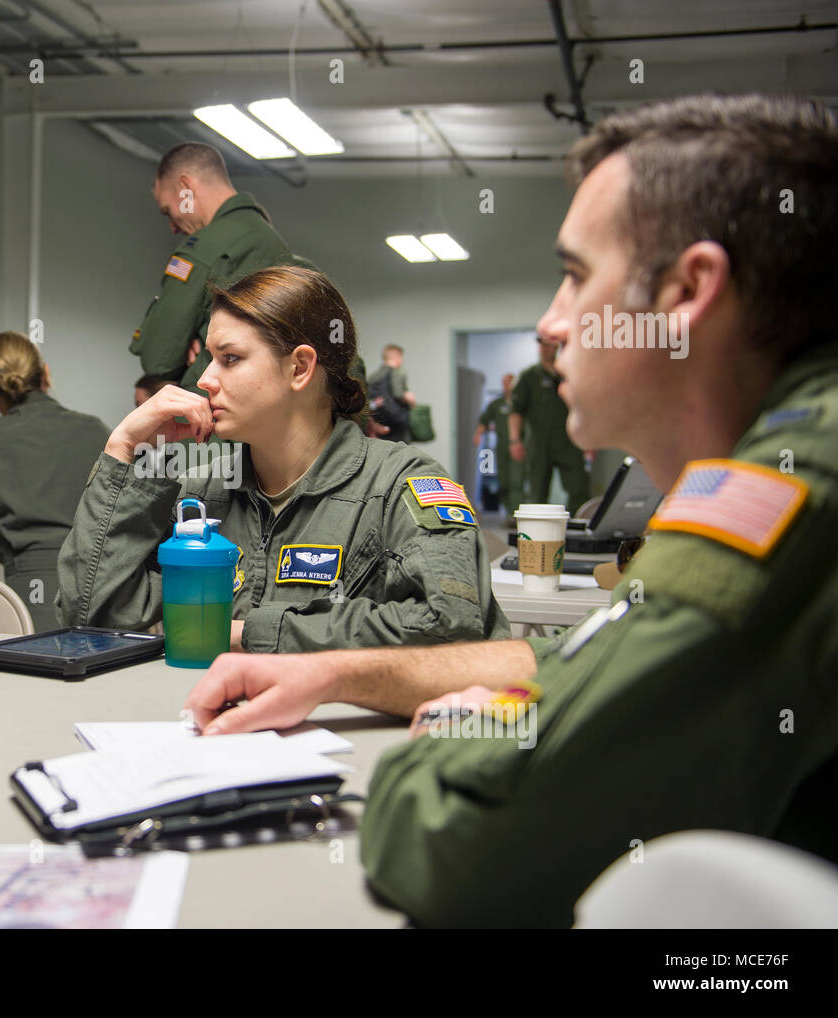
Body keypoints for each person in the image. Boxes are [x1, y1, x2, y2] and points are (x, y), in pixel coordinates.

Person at [183, 93, 838, 927]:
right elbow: (585, 661)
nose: (550, 324)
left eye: (574, 277)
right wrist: (336, 672)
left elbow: (465, 844)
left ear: (687, 291)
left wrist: (433, 757)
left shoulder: (791, 491)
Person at [60, 265, 508, 653]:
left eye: (230, 359)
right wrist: (123, 450)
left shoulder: (399, 487)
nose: (206, 382)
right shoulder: (203, 494)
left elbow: (454, 629)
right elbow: (90, 616)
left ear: (299, 368)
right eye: (210, 359)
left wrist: (246, 633)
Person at [0, 331, 108, 632]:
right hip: (102, 589)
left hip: (30, 596)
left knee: (31, 672)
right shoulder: (97, 430)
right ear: (45, 373)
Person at [131, 142, 296, 393]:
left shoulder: (204, 249)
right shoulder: (271, 241)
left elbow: (158, 358)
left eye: (167, 211)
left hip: (211, 417)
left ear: (185, 189)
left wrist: (185, 345)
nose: (172, 227)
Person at [509, 334, 590, 514]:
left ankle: (578, 531)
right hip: (539, 443)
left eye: (548, 345)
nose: (544, 348)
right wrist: (515, 441)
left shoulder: (570, 374)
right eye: (541, 345)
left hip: (569, 441)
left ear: (556, 347)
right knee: (537, 493)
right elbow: (516, 411)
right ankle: (537, 535)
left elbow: (584, 407)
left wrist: (589, 440)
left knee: (579, 488)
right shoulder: (528, 376)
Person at [473, 372, 522, 518]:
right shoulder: (497, 404)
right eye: (505, 383)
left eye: (510, 383)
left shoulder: (520, 403)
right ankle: (509, 513)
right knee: (504, 481)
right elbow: (484, 421)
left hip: (519, 447)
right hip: (502, 448)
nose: (507, 386)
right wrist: (477, 435)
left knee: (516, 481)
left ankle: (516, 514)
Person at [367, 344, 417, 442]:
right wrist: (409, 397)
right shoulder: (397, 372)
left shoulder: (374, 376)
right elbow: (398, 393)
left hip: (379, 419)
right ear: (397, 357)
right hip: (397, 420)